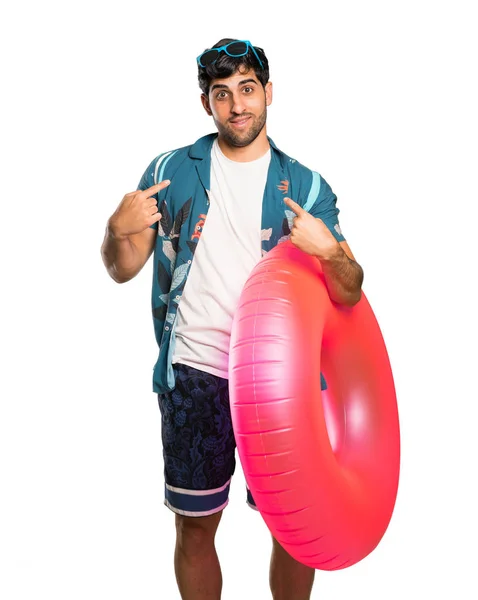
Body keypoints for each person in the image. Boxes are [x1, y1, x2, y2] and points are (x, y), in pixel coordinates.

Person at [101, 38, 364, 600]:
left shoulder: (308, 187)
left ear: (268, 93)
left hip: (281, 385)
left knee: (293, 529)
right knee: (195, 526)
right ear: (207, 104)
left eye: (247, 90)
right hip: (195, 372)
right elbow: (121, 269)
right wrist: (116, 229)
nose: (237, 106)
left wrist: (331, 251)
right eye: (222, 95)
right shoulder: (171, 171)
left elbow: (350, 291)